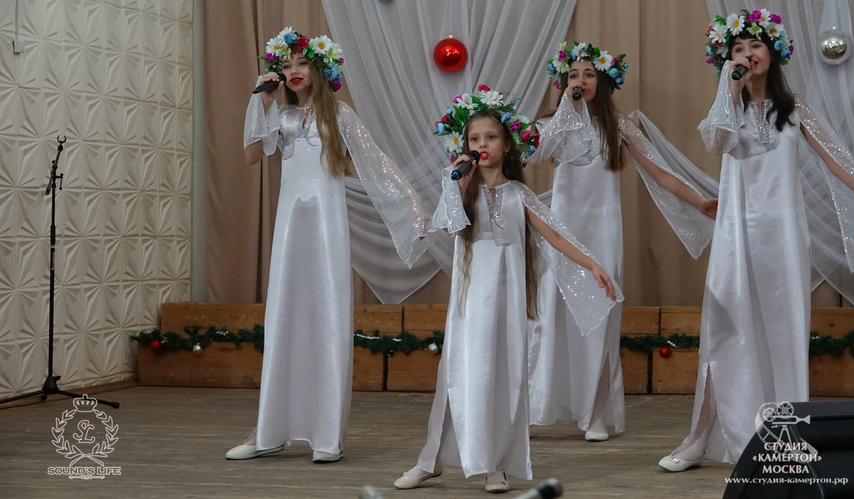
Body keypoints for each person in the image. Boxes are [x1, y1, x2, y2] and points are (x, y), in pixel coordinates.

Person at [659, 9, 854, 472]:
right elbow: (716, 142)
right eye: (737, 49)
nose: (747, 54)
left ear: (774, 52)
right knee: (725, 330)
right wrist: (731, 88)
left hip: (782, 237)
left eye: (755, 46)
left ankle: (787, 439)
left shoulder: (794, 108)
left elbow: (836, 157)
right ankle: (700, 437)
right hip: (735, 236)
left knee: (783, 333)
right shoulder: (728, 109)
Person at [395, 86, 620, 493]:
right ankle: (430, 459)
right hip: (471, 303)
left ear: (508, 144)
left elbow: (555, 234)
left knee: (506, 376)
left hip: (509, 299)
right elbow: (450, 225)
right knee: (461, 374)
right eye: (474, 139)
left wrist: (591, 264)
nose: (481, 145)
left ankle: (496, 464)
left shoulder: (519, 194)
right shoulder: (460, 187)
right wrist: (457, 183)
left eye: (490, 137)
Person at [226, 27, 429, 463]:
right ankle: (268, 429)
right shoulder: (281, 117)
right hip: (290, 227)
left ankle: (326, 435)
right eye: (286, 65)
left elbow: (376, 164)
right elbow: (251, 155)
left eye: (302, 63)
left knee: (326, 317)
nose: (294, 71)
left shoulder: (339, 115)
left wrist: (412, 207)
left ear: (320, 68)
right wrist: (262, 101)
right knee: (285, 316)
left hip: (325, 226)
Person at [529, 42, 717, 442]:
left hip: (602, 232)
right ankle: (540, 404)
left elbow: (661, 173)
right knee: (553, 316)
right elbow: (536, 154)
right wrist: (567, 110)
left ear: (604, 81)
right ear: (564, 82)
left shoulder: (619, 125)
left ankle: (595, 412)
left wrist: (700, 201)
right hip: (563, 232)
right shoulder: (551, 123)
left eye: (589, 74)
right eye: (574, 75)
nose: (581, 81)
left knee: (601, 315)